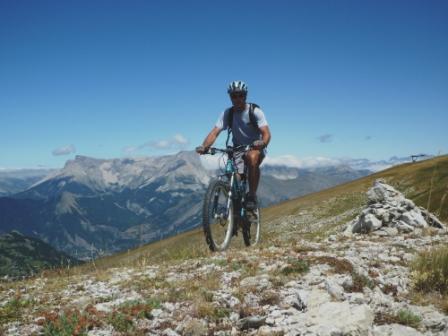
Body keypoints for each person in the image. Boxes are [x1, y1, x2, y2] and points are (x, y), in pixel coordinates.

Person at [196, 80, 271, 210]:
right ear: (230, 97)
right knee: (235, 179)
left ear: (245, 95)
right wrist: (204, 146)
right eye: (234, 96)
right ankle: (235, 214)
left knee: (252, 158)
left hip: (255, 147)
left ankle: (252, 195)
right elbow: (215, 132)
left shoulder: (255, 111)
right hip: (237, 149)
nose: (237, 99)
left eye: (240, 95)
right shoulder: (227, 113)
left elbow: (266, 133)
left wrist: (262, 143)